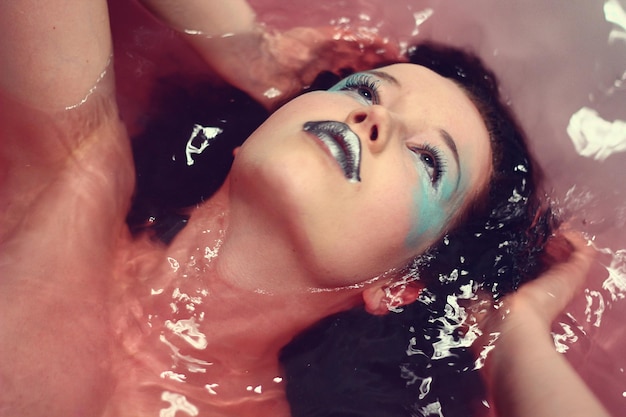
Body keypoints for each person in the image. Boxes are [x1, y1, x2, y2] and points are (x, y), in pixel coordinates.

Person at [0, 1, 610, 417]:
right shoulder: (70, 176)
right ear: (261, 128)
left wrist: (512, 334)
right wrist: (245, 45)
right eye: (365, 90)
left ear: (400, 285)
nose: (373, 118)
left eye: (428, 161)